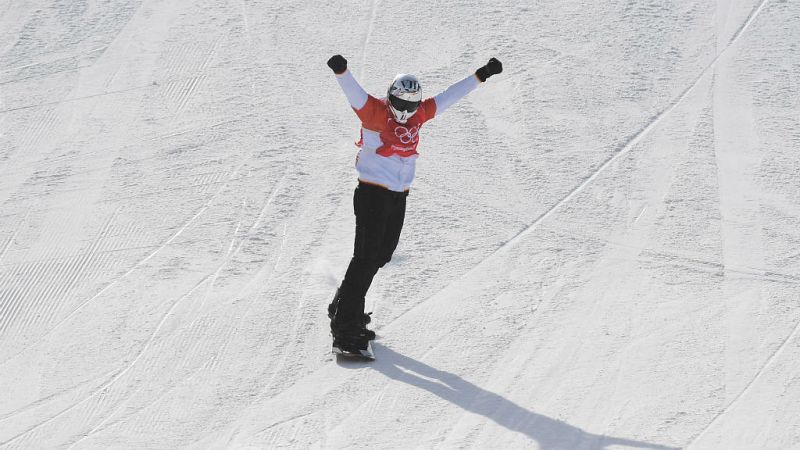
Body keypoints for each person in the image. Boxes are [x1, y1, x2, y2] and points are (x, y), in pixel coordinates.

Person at [326, 54, 503, 356]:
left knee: (381, 254)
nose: (407, 111)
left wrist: (481, 75)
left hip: (398, 195)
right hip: (372, 193)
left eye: (412, 105)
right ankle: (345, 328)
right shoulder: (374, 113)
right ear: (391, 97)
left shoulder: (420, 114)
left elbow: (450, 96)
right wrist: (341, 71)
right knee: (365, 258)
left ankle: (344, 305)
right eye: (401, 104)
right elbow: (353, 92)